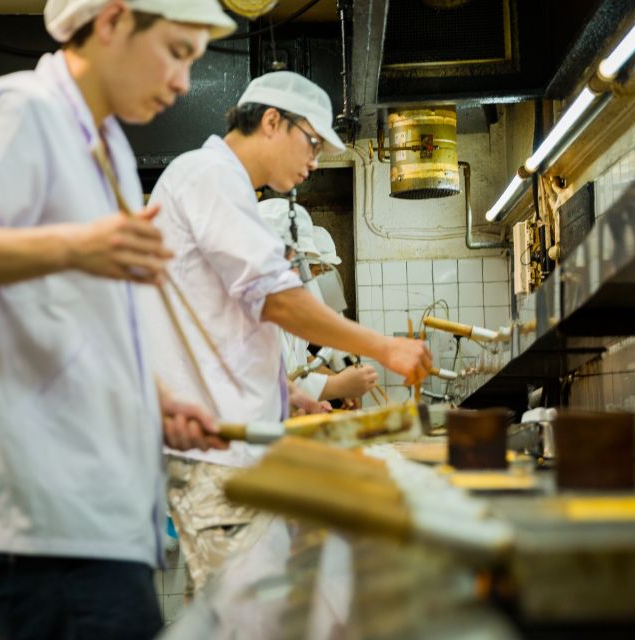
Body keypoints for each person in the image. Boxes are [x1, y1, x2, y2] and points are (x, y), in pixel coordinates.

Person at [0, 1, 236, 638]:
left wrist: (157, 400)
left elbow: (86, 323)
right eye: (177, 52)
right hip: (45, 511)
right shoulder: (18, 111)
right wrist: (77, 245)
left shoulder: (107, 153)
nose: (186, 81)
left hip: (100, 506)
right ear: (110, 21)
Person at [143, 70, 432, 594]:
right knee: (242, 607)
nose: (315, 160)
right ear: (272, 122)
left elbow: (222, 321)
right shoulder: (208, 176)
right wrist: (384, 347)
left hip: (235, 444)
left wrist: (288, 391)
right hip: (217, 449)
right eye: (313, 142)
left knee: (248, 606)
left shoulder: (223, 185)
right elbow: (275, 299)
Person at [257, 198, 378, 406]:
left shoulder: (287, 306)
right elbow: (265, 386)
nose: (300, 274)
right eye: (295, 262)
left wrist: (315, 399)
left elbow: (296, 365)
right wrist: (337, 385)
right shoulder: (250, 310)